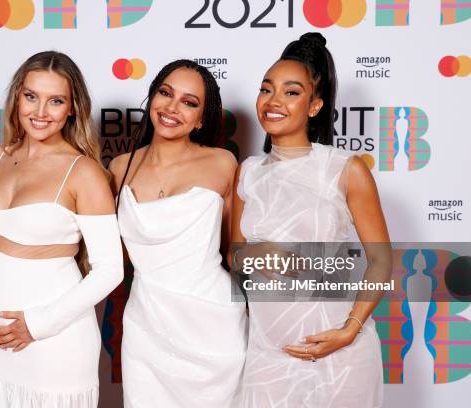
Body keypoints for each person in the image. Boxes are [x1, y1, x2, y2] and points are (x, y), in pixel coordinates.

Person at [0, 51, 123, 407]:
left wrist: (37, 324)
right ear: (17, 98)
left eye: (55, 101)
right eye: (31, 97)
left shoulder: (83, 172)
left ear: (72, 108)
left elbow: (110, 270)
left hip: (53, 345)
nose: (40, 113)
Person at [232, 33, 390, 407]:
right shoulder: (248, 172)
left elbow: (382, 260)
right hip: (267, 355)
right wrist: (259, 254)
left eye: (291, 92)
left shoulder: (345, 169)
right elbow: (233, 255)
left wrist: (350, 331)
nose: (273, 101)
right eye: (266, 89)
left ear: (315, 105)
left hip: (340, 354)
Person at [109, 59, 247, 408]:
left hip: (215, 327)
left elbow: (237, 252)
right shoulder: (118, 168)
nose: (172, 108)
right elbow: (106, 256)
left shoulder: (223, 163)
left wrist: (321, 278)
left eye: (189, 102)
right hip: (145, 330)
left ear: (201, 119)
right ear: (152, 97)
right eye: (165, 93)